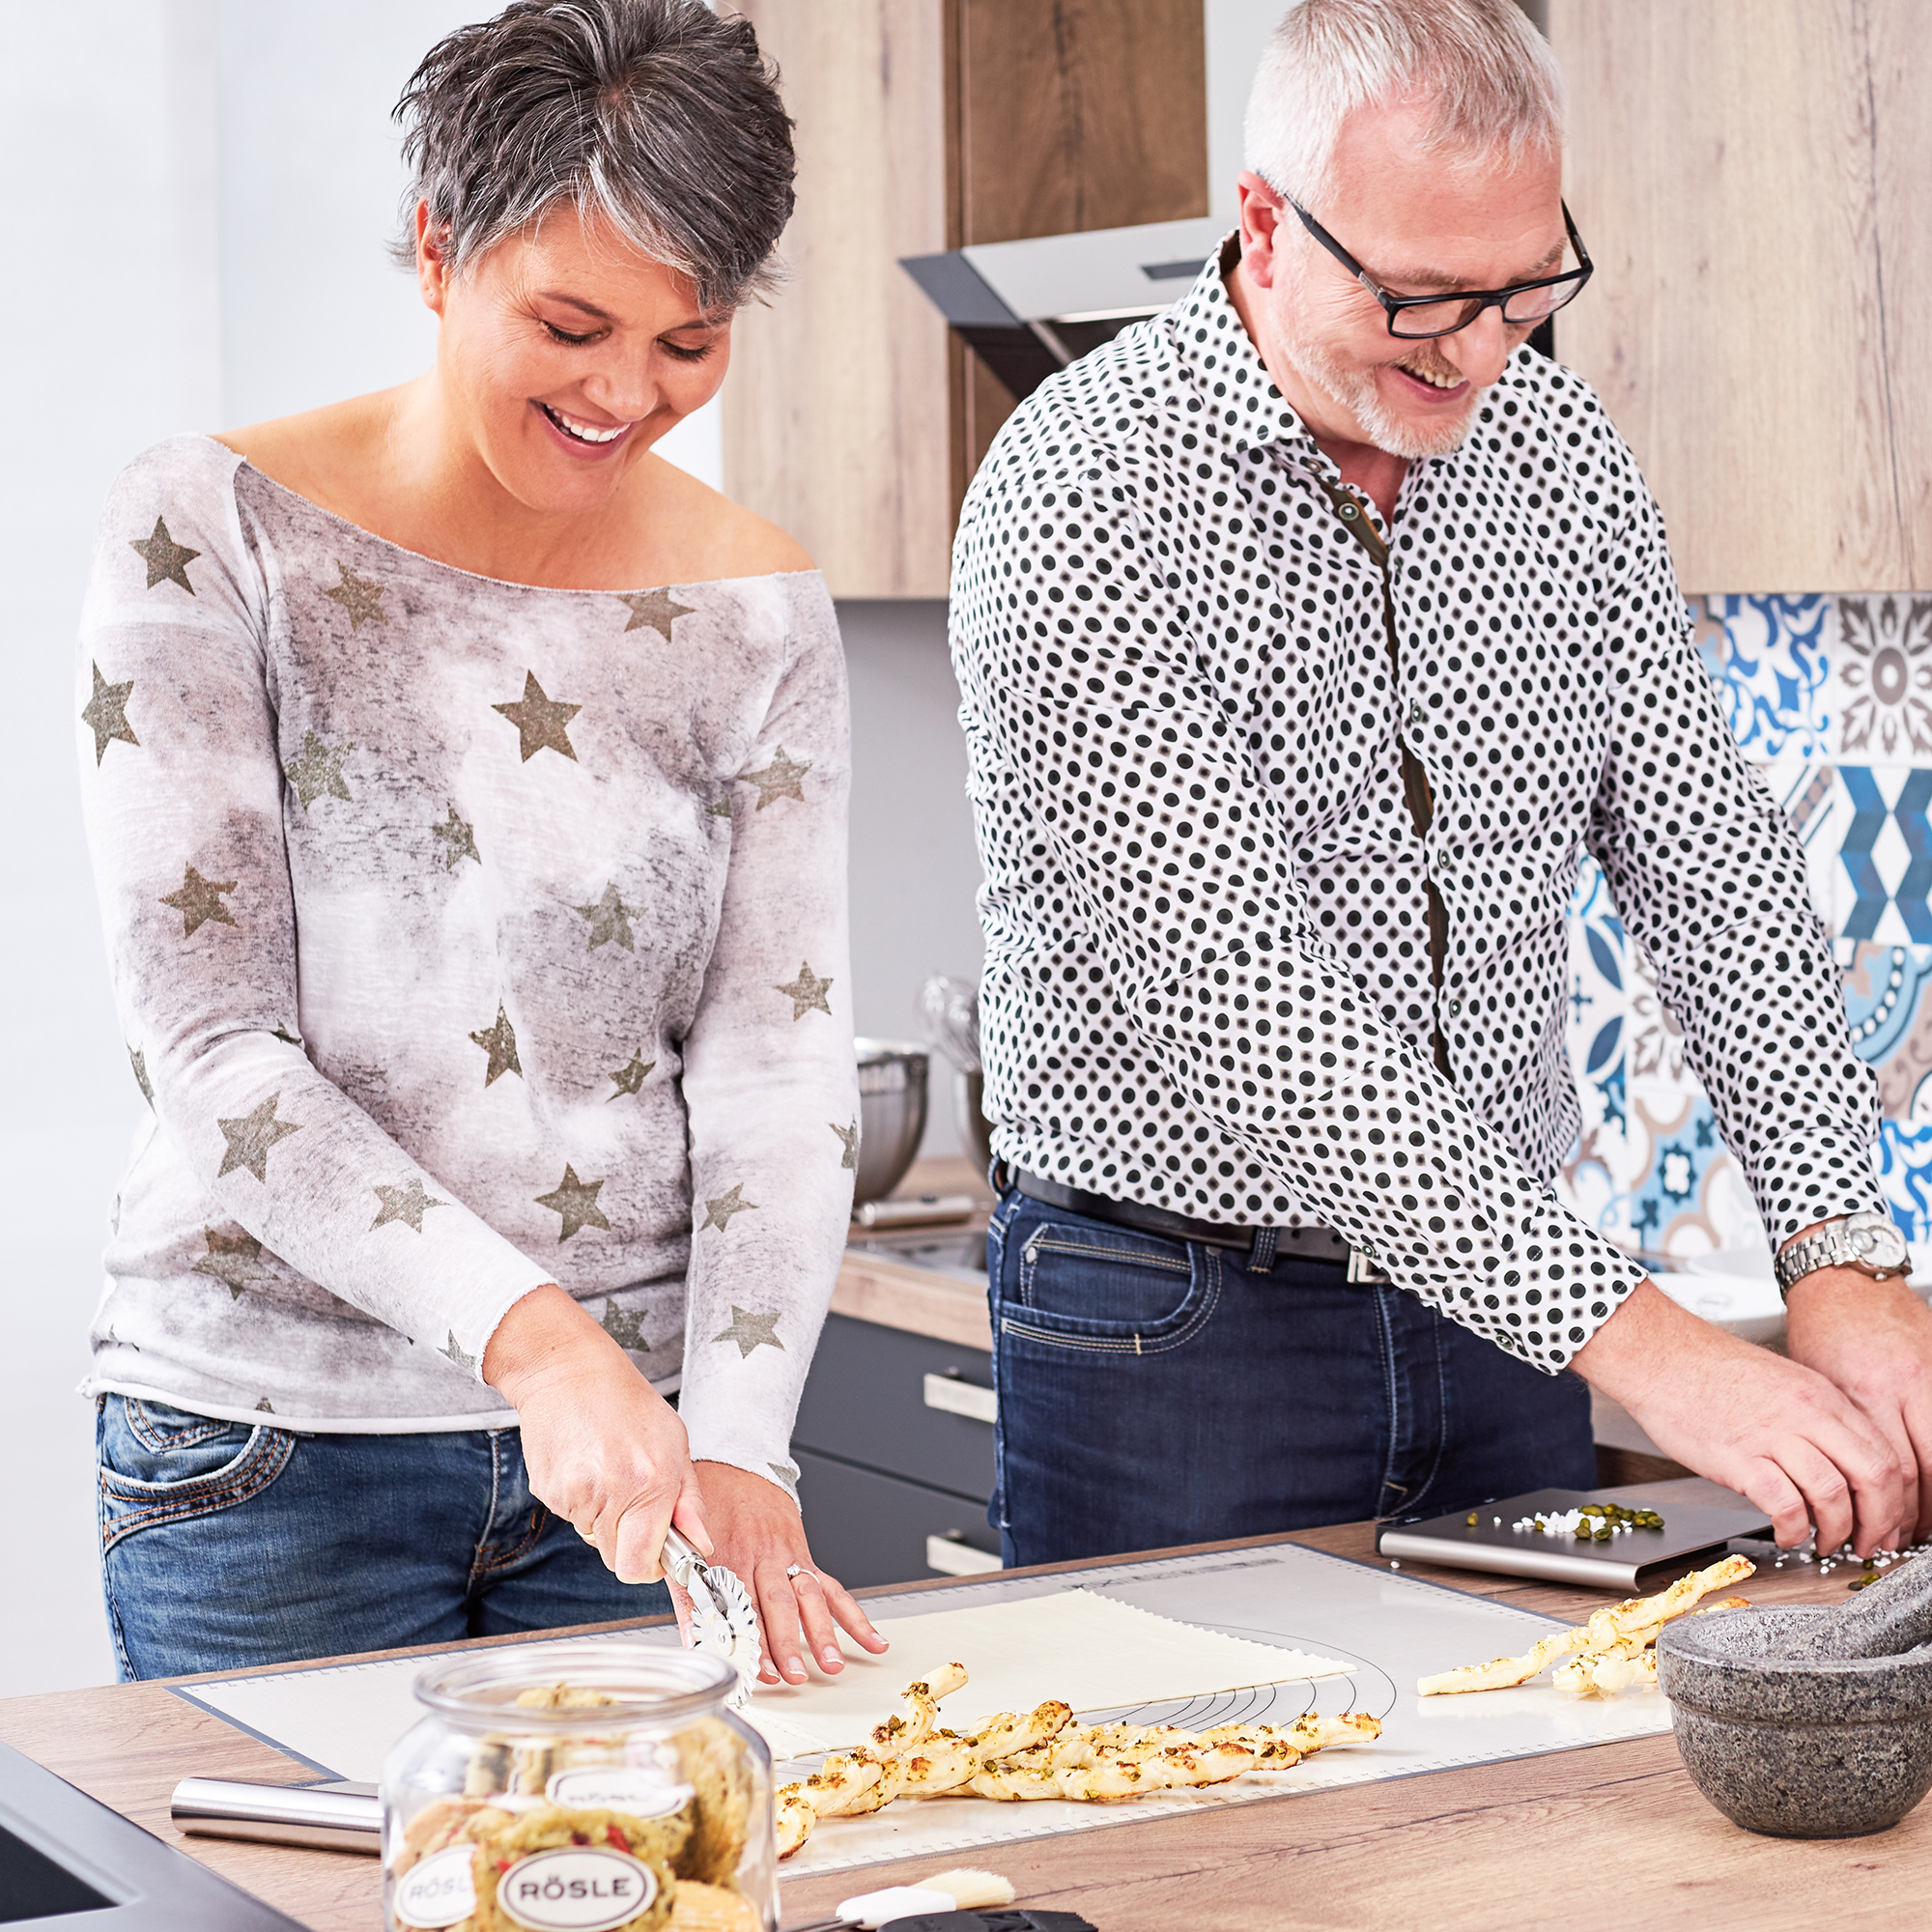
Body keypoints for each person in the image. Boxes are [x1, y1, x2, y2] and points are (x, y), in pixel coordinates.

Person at [950, 0, 1932, 1571]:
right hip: (1176, 1329)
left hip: (1511, 1331)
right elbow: (1259, 1020)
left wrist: (1840, 1254)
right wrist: (1657, 1350)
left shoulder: (1556, 448)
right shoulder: (1081, 493)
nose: (1482, 352)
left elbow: (1711, 864)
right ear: (1267, 227)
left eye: (1525, 287)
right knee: (1200, 1810)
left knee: (1555, 1791)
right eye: (1423, 300)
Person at [76, 0, 886, 1686]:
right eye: (573, 323)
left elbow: (771, 1061)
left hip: (636, 1478)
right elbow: (214, 1052)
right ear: (440, 249)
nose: (625, 393)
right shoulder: (209, 533)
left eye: (688, 341)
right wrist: (540, 1349)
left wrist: (741, 1438)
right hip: (273, 1461)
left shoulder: (756, 610)